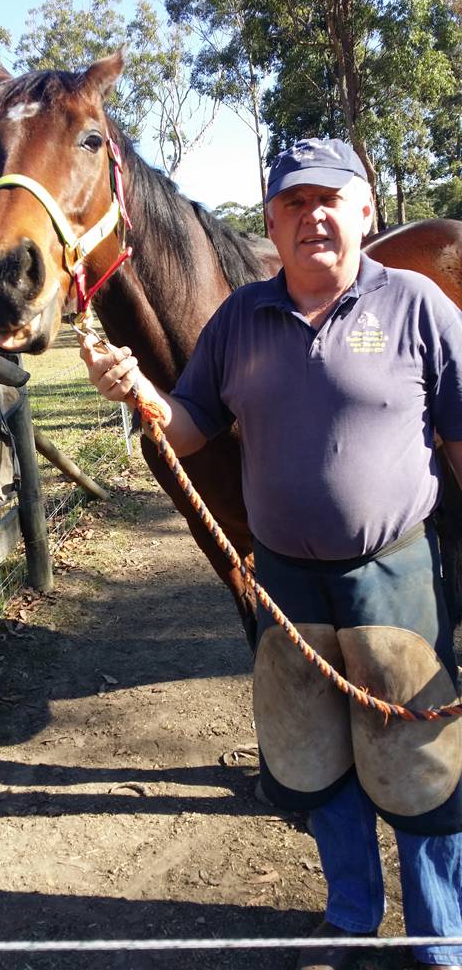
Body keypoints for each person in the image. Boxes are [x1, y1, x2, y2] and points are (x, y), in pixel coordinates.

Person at [80, 137, 462, 970]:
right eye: (293, 202)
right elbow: (190, 429)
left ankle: (441, 942)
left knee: (421, 768)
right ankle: (351, 919)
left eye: (330, 198)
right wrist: (139, 392)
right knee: (317, 761)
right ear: (271, 221)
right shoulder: (238, 321)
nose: (312, 216)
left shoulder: (419, 307)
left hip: (395, 575)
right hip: (283, 581)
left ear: (365, 209)